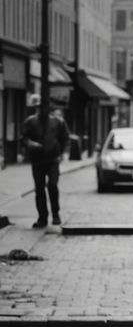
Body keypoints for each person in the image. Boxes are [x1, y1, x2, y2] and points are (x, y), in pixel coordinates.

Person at [21, 95, 70, 228]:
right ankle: (42, 217)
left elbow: (65, 138)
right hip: (37, 160)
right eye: (39, 107)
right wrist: (31, 144)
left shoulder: (58, 121)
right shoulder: (30, 122)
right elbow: (24, 139)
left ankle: (55, 213)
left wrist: (62, 153)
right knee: (39, 189)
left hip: (53, 159)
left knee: (53, 186)